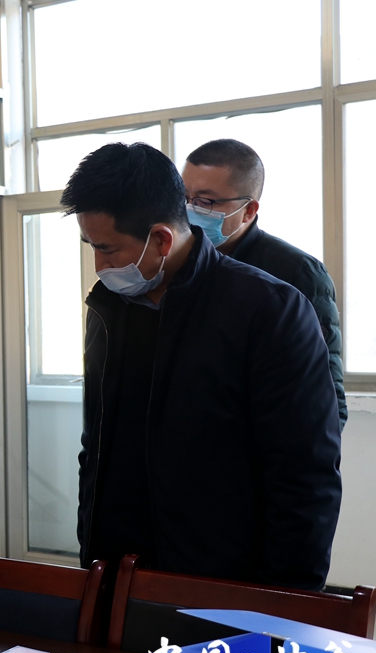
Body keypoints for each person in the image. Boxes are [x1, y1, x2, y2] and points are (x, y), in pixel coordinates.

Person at [66, 143, 340, 590]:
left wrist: (284, 600)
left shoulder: (267, 309)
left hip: (220, 579)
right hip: (117, 573)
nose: (99, 266)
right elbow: (96, 445)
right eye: (91, 247)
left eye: (108, 249)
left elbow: (303, 473)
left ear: (161, 239)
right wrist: (91, 553)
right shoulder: (108, 309)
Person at [182, 139, 347, 429]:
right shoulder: (177, 264)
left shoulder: (295, 272)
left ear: (248, 210)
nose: (189, 209)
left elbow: (326, 401)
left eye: (205, 202)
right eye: (183, 197)